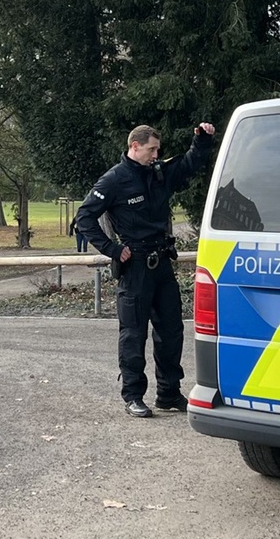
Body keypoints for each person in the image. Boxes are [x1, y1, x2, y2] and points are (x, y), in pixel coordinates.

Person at [75, 122, 216, 418]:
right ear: (135, 146)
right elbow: (84, 218)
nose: (156, 154)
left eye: (157, 149)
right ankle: (133, 395)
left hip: (162, 263)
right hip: (135, 266)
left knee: (171, 331)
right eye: (151, 148)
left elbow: (188, 166)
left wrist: (201, 141)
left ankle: (168, 393)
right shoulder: (114, 180)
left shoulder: (158, 173)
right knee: (133, 334)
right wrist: (113, 249)